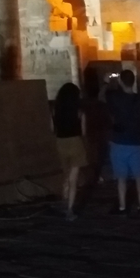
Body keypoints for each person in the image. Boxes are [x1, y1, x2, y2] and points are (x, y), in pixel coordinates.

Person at [100, 69, 140, 215]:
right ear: (133, 82)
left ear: (120, 82)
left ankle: (122, 206)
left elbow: (100, 97)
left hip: (119, 142)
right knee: (139, 178)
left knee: (121, 178)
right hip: (138, 142)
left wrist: (106, 83)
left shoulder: (115, 97)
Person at [51, 82, 87, 221]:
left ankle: (64, 201)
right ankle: (70, 210)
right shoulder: (79, 112)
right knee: (73, 179)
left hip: (61, 143)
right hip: (75, 143)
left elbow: (52, 128)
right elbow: (84, 132)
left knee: (66, 175)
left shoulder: (55, 109)